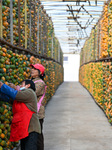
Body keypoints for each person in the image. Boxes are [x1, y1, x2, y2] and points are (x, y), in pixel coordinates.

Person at [0, 80, 41, 150]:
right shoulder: (20, 98)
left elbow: (14, 94)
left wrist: (2, 86)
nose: (20, 86)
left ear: (28, 85)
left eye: (22, 84)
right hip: (24, 129)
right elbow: (7, 98)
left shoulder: (30, 92)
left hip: (31, 129)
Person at [30, 63, 47, 150]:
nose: (32, 70)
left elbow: (31, 93)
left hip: (38, 113)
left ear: (40, 72)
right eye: (32, 68)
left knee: (38, 135)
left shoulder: (40, 83)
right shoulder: (32, 81)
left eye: (35, 69)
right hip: (32, 112)